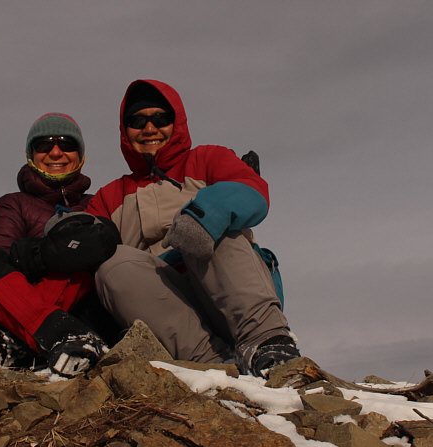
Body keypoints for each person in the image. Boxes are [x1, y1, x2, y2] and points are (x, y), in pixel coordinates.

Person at [86, 79, 301, 377]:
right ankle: (214, 367)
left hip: (231, 298)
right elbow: (82, 244)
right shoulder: (109, 197)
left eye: (161, 118)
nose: (149, 129)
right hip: (171, 315)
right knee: (112, 264)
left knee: (212, 227)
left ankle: (268, 344)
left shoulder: (207, 159)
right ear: (125, 131)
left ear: (177, 122)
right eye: (137, 121)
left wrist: (203, 216)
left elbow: (252, 190)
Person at [0, 113, 120, 377]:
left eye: (67, 145)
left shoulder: (99, 203)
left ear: (81, 157)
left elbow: (107, 242)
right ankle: (59, 335)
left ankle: (14, 344)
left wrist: (37, 254)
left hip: (88, 311)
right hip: (19, 310)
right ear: (30, 155)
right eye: (44, 146)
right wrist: (63, 250)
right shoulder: (12, 205)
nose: (56, 152)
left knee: (91, 250)